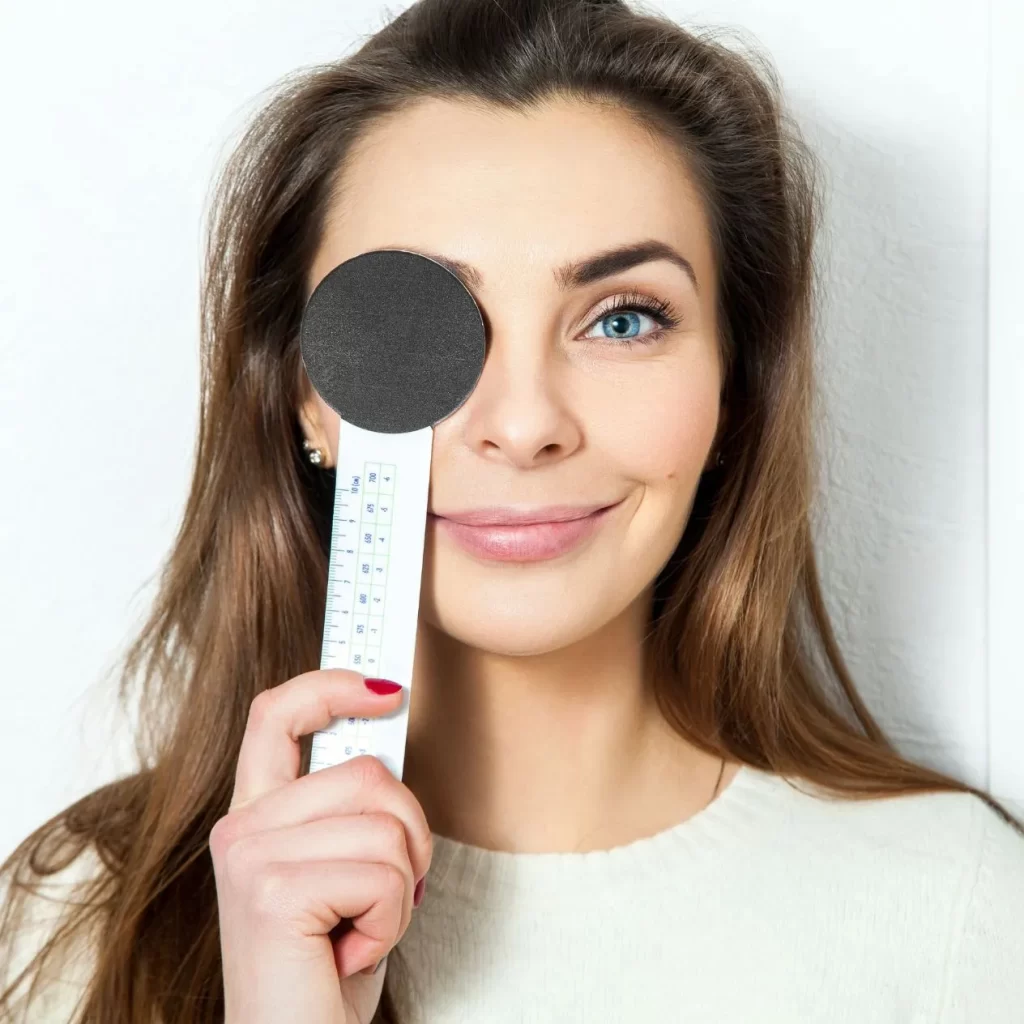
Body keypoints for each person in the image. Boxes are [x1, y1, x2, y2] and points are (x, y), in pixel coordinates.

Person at [3, 0, 1023, 1021]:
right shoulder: (79, 914)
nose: (525, 422)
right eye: (415, 325)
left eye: (622, 320)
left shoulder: (960, 911)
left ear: (734, 387)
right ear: (308, 400)